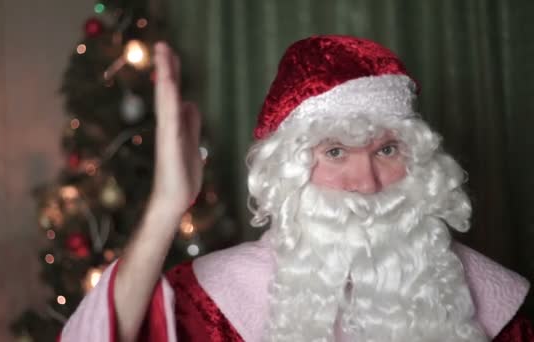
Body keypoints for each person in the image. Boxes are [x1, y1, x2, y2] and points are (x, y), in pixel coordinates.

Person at [59, 35, 532, 341]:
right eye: (335, 153)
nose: (365, 184)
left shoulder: (499, 307)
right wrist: (165, 208)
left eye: (387, 150)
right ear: (289, 171)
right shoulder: (215, 302)